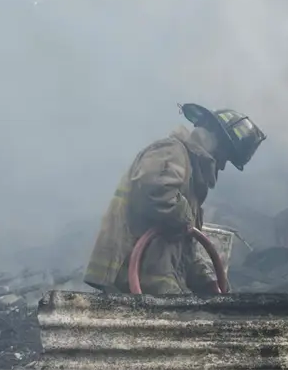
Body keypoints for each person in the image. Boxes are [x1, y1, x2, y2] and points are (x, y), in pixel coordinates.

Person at [83, 103, 266, 295]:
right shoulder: (171, 151)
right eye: (226, 157)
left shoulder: (190, 178)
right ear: (216, 140)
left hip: (156, 280)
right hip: (137, 277)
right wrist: (187, 219)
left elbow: (185, 244)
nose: (221, 166)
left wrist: (206, 279)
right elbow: (156, 191)